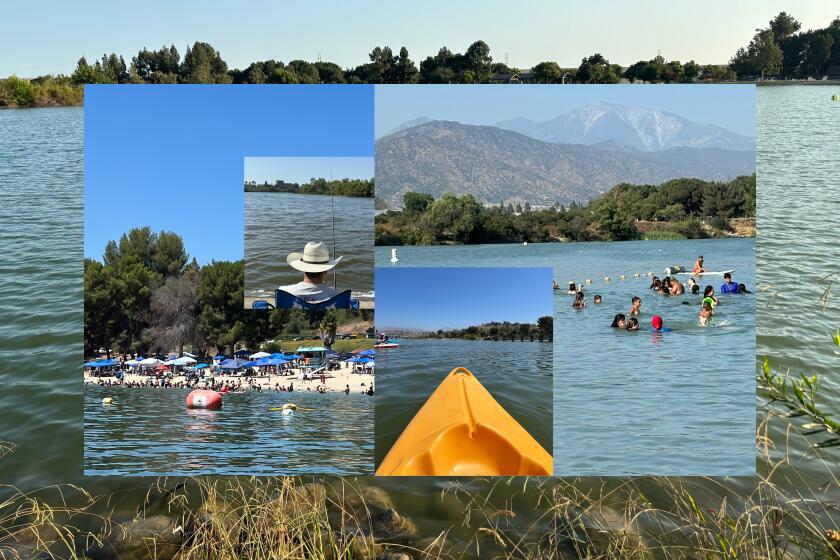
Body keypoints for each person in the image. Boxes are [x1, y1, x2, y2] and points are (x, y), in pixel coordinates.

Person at [278, 241, 343, 303]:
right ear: (325, 270)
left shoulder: (284, 292)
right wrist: (325, 288)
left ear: (303, 268)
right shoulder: (336, 296)